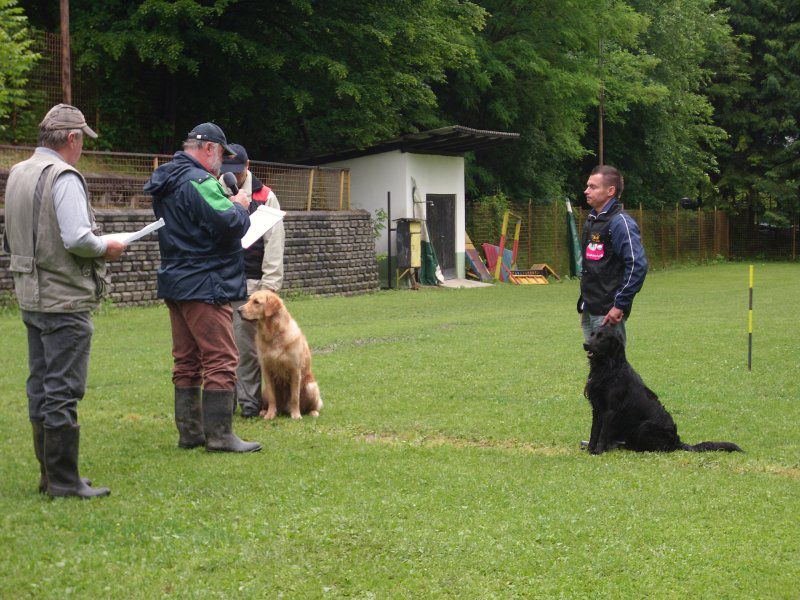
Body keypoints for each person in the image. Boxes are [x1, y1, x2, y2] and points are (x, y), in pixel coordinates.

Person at [3, 104, 126, 498]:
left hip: (30, 295)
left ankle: (51, 474)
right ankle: (62, 480)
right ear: (72, 139)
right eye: (81, 142)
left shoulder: (19, 172)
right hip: (64, 299)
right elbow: (77, 238)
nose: (82, 150)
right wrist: (107, 246)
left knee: (40, 385)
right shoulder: (64, 176)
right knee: (63, 389)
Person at [144, 123, 261, 453]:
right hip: (204, 281)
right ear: (209, 148)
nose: (222, 163)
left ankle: (190, 431)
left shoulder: (167, 178)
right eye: (222, 154)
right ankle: (221, 436)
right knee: (222, 357)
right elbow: (231, 224)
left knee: (186, 360)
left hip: (176, 278)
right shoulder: (198, 181)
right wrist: (238, 204)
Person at [218, 143, 285, 418]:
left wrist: (268, 289)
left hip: (252, 283)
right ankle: (223, 401)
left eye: (237, 170)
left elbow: (274, 244)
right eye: (226, 170)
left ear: (247, 166)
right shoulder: (214, 189)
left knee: (247, 350)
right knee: (222, 348)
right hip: (222, 280)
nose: (231, 176)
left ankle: (248, 404)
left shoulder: (265, 196)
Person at [577, 165, 648, 347]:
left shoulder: (620, 223)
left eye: (593, 187)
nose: (586, 191)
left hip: (608, 312)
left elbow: (637, 265)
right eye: (588, 186)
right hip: (591, 308)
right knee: (598, 366)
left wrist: (620, 305)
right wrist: (585, 304)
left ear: (610, 191)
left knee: (612, 369)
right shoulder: (593, 220)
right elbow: (593, 266)